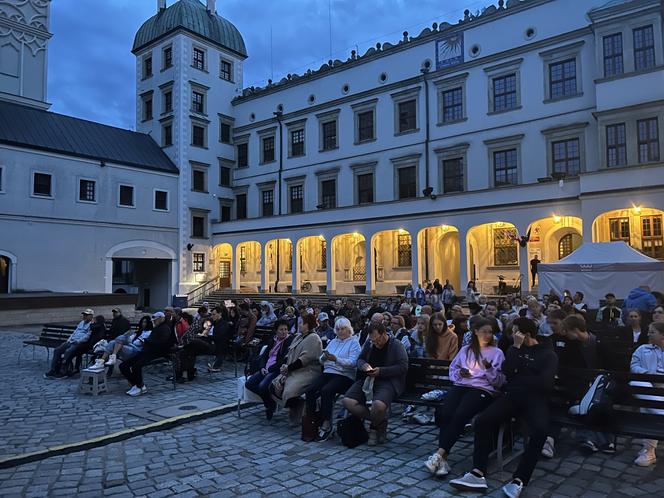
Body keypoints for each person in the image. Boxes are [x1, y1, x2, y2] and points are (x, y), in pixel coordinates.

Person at [450, 317, 558, 498]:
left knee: (540, 432)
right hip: (512, 397)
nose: (512, 335)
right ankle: (478, 472)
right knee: (482, 420)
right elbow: (507, 372)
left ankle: (519, 479)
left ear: (526, 334)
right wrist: (515, 348)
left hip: (534, 400)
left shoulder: (547, 354)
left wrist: (520, 380)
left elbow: (545, 384)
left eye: (516, 332)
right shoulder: (515, 349)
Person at [424, 318, 505, 477]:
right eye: (484, 332)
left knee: (461, 414)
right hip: (462, 385)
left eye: (490, 332)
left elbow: (499, 382)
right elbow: (453, 369)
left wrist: (488, 369)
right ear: (475, 332)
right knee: (445, 412)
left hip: (482, 389)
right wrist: (460, 373)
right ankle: (443, 460)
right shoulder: (466, 350)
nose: (488, 335)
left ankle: (440, 454)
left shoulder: (497, 353)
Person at [543, 315, 610, 458]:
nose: (564, 334)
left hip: (596, 385)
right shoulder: (572, 343)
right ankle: (554, 438)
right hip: (577, 385)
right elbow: (569, 367)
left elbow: (611, 366)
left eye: (566, 331)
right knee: (563, 401)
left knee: (579, 402)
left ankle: (588, 438)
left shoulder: (598, 342)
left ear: (574, 330)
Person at [342, 322, 408, 445]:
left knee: (378, 406)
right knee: (348, 401)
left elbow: (403, 366)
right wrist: (364, 365)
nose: (374, 343)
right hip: (367, 380)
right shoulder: (369, 343)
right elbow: (360, 359)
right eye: (372, 341)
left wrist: (382, 371)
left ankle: (374, 428)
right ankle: (381, 421)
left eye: (376, 340)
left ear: (383, 334)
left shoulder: (396, 345)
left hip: (388, 381)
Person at [305, 317, 362, 441]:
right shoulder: (333, 341)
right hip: (329, 372)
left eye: (343, 329)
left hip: (344, 375)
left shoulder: (354, 342)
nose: (340, 331)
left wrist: (336, 359)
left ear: (348, 330)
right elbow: (320, 360)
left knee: (326, 390)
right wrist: (325, 357)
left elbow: (353, 363)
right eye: (338, 329)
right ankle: (313, 419)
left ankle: (326, 424)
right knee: (310, 390)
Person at [630, 321, 664, 467]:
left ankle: (648, 450)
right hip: (647, 385)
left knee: (647, 406)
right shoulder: (642, 349)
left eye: (652, 332)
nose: (648, 334)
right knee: (637, 385)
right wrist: (647, 374)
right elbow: (634, 366)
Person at [245, 319, 293, 420]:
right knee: (249, 383)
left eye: (285, 329)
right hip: (266, 367)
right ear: (276, 330)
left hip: (277, 369)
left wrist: (270, 369)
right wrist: (262, 367)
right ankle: (271, 401)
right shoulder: (273, 340)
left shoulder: (289, 341)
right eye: (281, 329)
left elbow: (284, 359)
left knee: (263, 386)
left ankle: (268, 407)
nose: (284, 332)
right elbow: (264, 356)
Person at [280, 314, 323, 426]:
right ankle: (294, 409)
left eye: (301, 323)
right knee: (276, 385)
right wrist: (285, 365)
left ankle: (298, 408)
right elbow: (290, 352)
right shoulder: (299, 336)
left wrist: (288, 368)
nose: (299, 324)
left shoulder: (314, 338)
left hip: (308, 371)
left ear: (308, 325)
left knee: (290, 390)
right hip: (294, 369)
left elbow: (305, 359)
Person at [119, 311, 174, 397]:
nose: (154, 322)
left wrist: (146, 341)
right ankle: (137, 385)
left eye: (155, 320)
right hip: (146, 351)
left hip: (156, 353)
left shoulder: (165, 328)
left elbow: (161, 343)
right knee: (123, 365)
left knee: (136, 366)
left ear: (161, 319)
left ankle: (139, 386)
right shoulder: (158, 328)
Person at [44, 309, 94, 379]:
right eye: (84, 315)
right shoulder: (81, 322)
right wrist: (68, 340)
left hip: (78, 344)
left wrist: (78, 341)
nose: (84, 316)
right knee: (57, 350)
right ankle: (53, 369)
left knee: (68, 352)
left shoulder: (92, 325)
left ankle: (62, 371)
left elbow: (87, 336)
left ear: (91, 316)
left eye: (86, 315)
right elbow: (74, 332)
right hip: (71, 341)